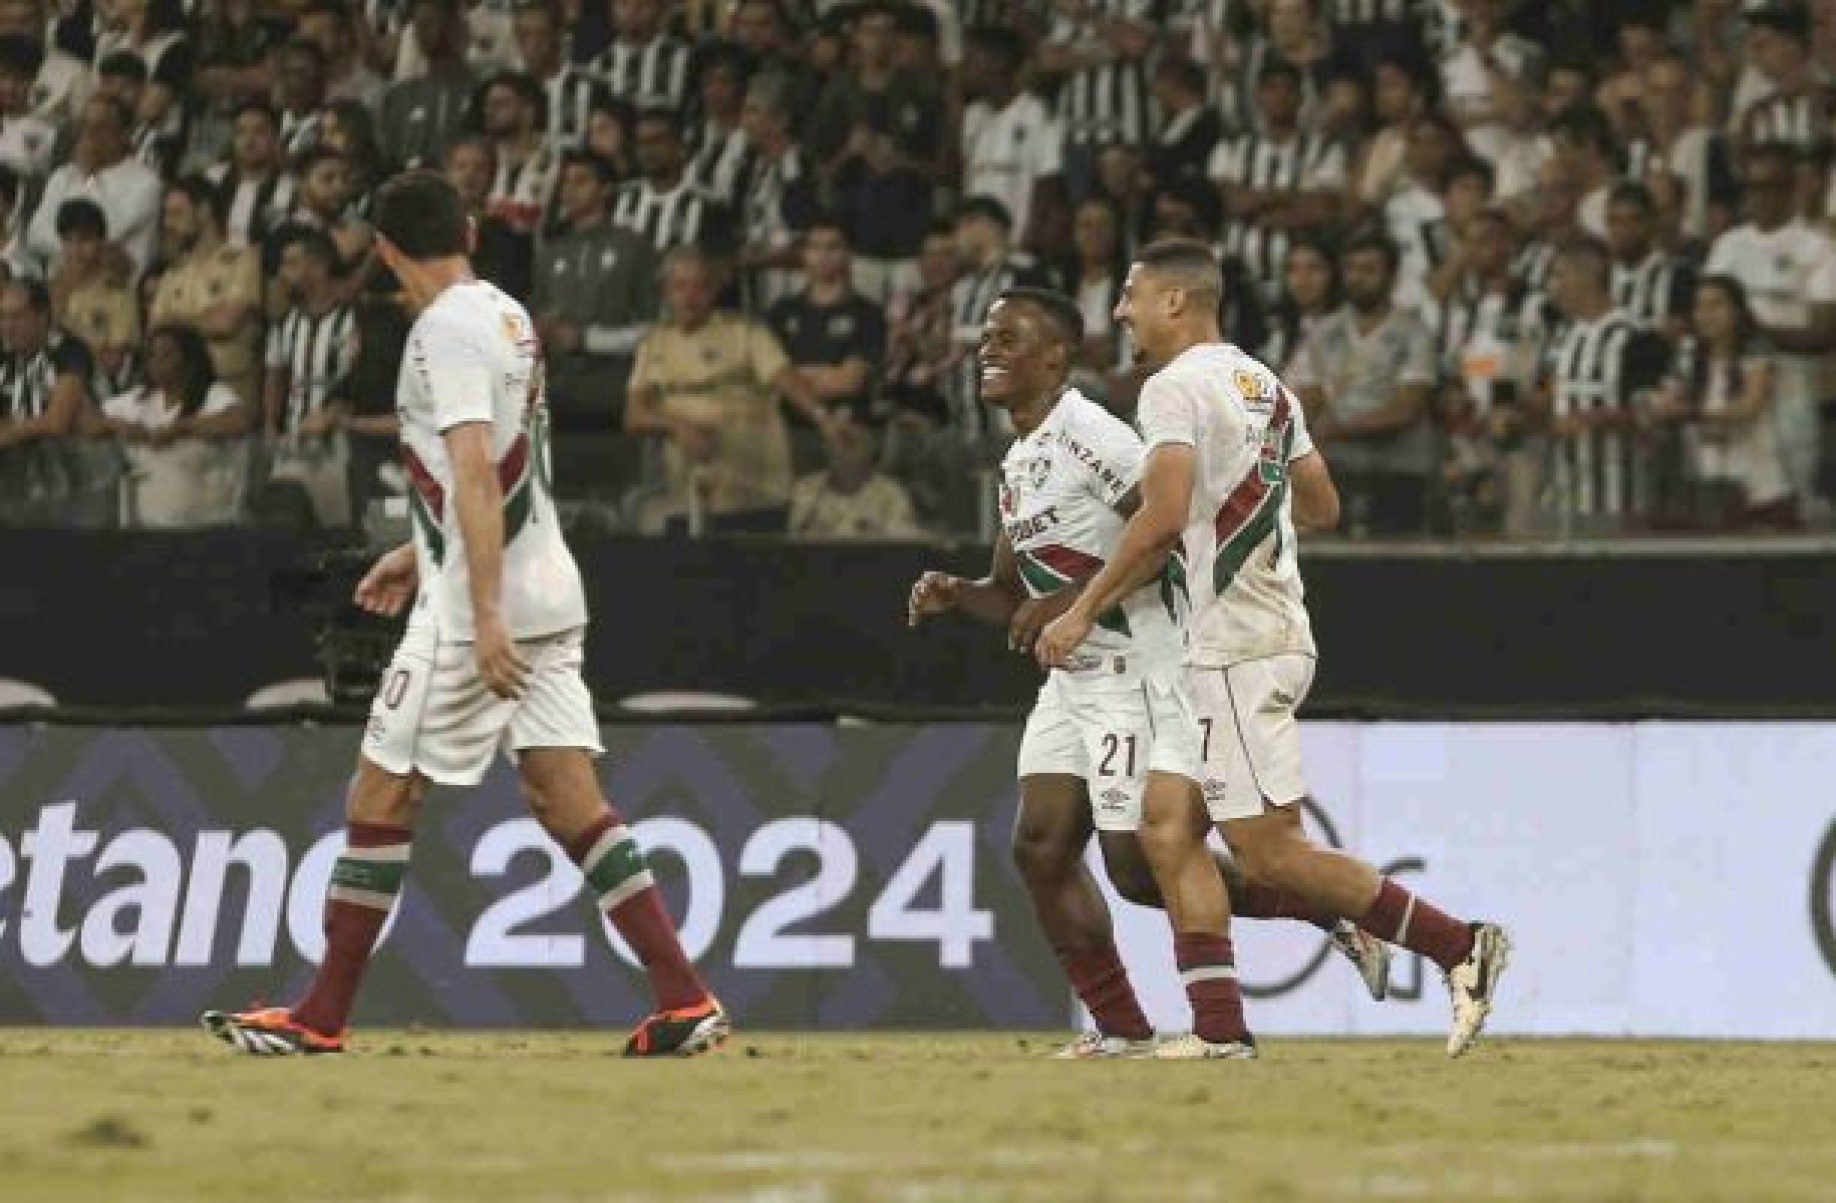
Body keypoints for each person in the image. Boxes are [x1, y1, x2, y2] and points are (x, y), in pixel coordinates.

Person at [202, 169, 729, 1058]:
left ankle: (320, 1016)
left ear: (381, 251)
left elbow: (477, 470)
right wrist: (421, 551)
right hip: (550, 590)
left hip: (481, 610)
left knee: (381, 791)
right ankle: (686, 998)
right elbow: (511, 470)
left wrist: (479, 613)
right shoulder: (507, 314)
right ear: (471, 233)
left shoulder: (439, 332)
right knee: (568, 798)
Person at [1036, 238, 1512, 1059]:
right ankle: (1221, 1032)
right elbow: (1322, 501)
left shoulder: (1173, 389)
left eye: (1131, 295)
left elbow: (1162, 514)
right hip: (1251, 630)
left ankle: (1458, 943)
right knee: (1168, 825)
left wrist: (1082, 608)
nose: (1120, 312)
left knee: (1268, 849)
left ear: (1176, 302)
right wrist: (1248, 518)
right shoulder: (1266, 383)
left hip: (1238, 644)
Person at [910, 285, 1389, 1059]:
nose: (987, 350)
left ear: (1057, 356)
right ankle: (1123, 1029)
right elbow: (1013, 597)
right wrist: (958, 593)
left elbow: (1170, 534)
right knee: (1040, 845)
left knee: (1138, 870)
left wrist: (1075, 599)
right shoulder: (1021, 456)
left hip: (1142, 666)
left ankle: (1328, 909)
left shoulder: (1093, 435)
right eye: (985, 338)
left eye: (1008, 338)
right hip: (1076, 677)